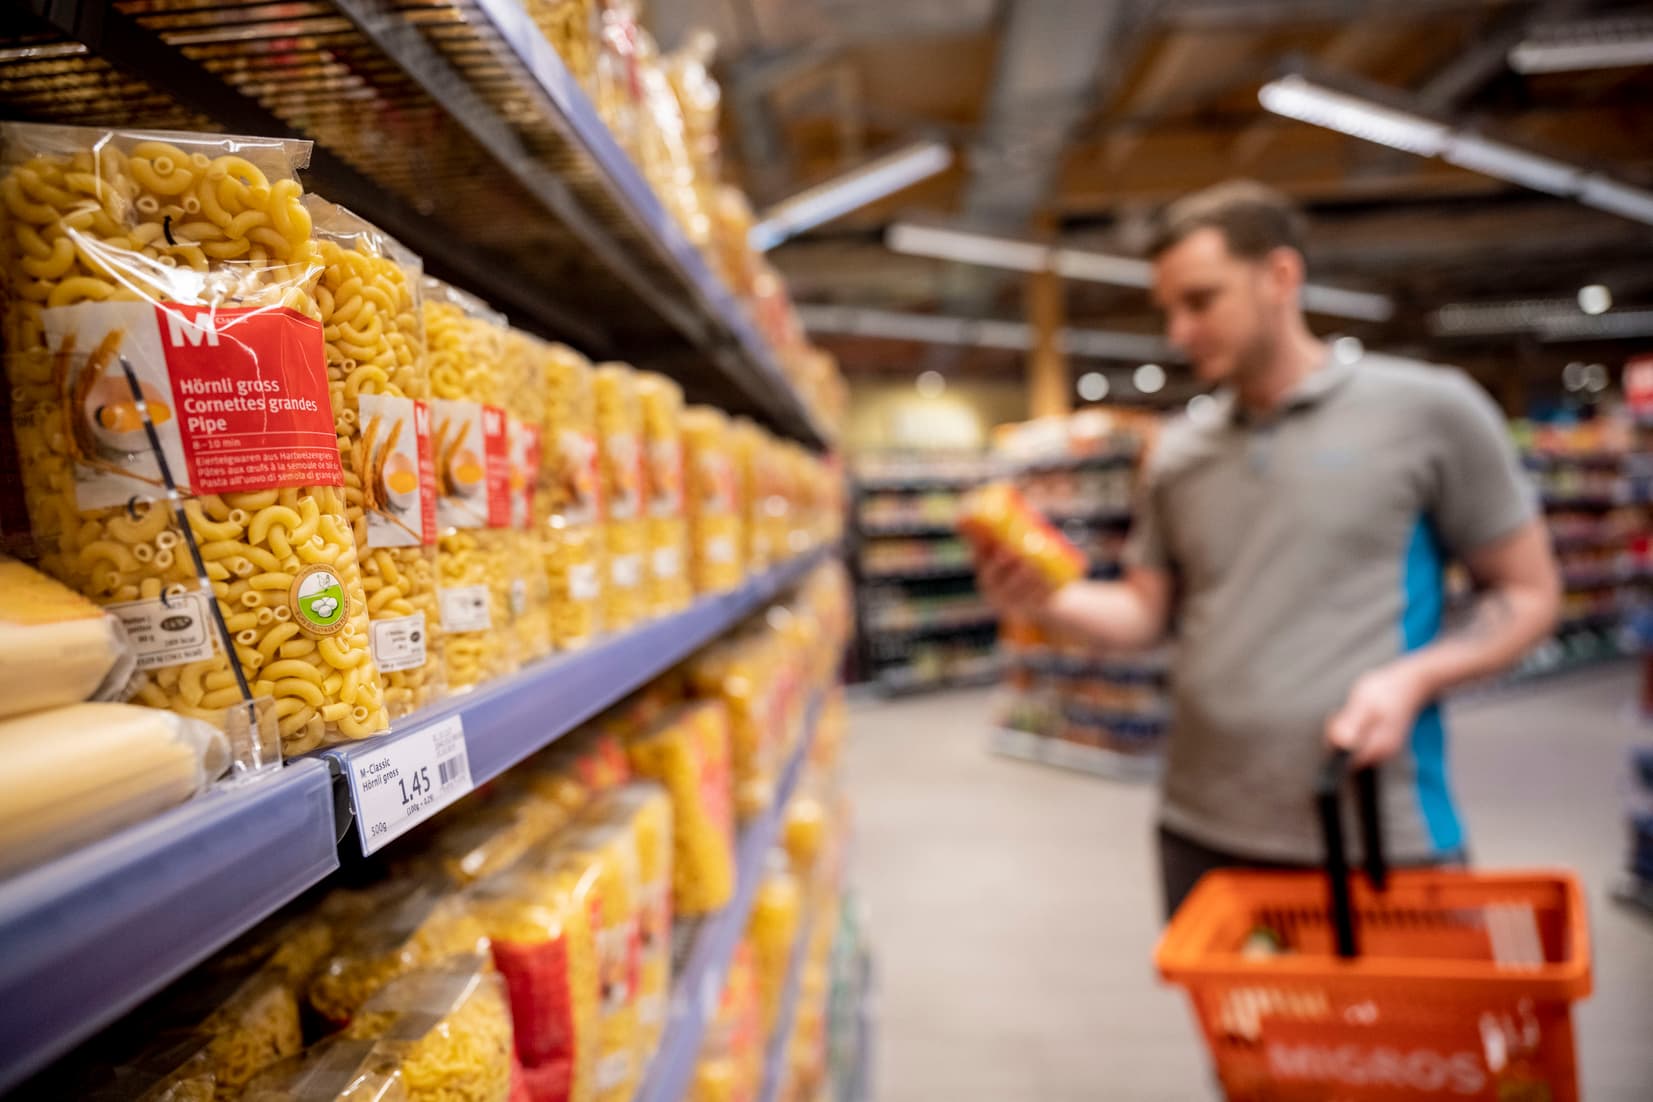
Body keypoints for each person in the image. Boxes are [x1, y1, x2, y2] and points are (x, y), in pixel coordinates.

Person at [973, 180, 1561, 918]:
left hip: (1372, 831)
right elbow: (1144, 613)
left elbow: (1525, 594)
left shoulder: (1428, 412)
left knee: (1395, 1036)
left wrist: (1414, 678)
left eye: (1200, 301)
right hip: (1199, 825)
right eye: (1168, 310)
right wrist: (1042, 595)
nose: (1178, 333)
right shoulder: (1177, 453)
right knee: (1242, 1034)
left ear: (1279, 277)